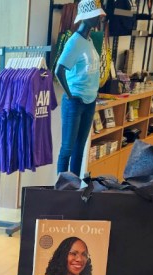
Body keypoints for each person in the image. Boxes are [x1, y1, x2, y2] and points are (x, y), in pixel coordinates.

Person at [55, 0, 105, 177]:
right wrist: (69, 95)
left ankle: (74, 189)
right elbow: (58, 70)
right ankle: (61, 190)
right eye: (96, 15)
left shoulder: (89, 40)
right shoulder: (74, 41)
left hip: (89, 101)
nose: (99, 17)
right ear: (86, 17)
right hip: (75, 102)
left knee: (79, 149)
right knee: (67, 149)